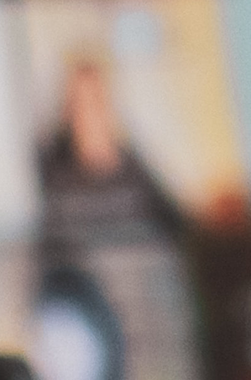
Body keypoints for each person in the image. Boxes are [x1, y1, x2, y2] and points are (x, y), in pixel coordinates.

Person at [35, 58, 186, 248]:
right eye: (80, 103)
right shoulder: (52, 169)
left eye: (95, 100)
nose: (88, 113)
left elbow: (176, 224)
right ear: (67, 109)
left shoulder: (134, 167)